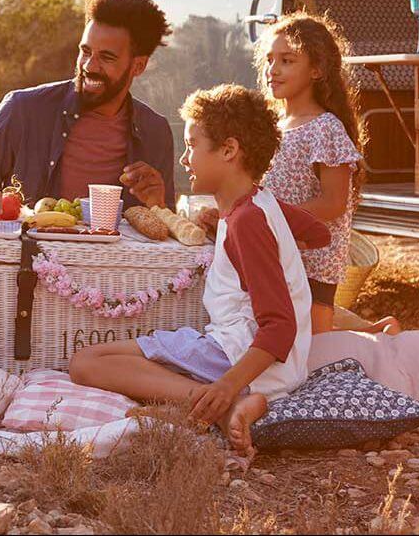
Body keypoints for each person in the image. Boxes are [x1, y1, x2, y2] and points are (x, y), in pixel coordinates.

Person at [69, 84, 330, 454]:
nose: (184, 159)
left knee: (86, 363)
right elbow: (318, 234)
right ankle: (221, 399)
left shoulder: (246, 222)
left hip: (238, 356)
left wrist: (225, 388)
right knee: (109, 361)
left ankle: (217, 404)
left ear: (228, 150)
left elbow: (280, 327)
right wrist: (243, 237)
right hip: (269, 365)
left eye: (192, 145)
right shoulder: (257, 205)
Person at [0, 0, 176, 278]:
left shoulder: (155, 131)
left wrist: (158, 204)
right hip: (25, 278)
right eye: (85, 51)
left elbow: (167, 238)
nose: (89, 66)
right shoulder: (23, 110)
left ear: (138, 66)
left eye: (107, 58)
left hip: (114, 283)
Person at [255, 12, 400, 335]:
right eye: (269, 60)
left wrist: (273, 216)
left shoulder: (325, 128)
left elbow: (334, 202)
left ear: (317, 70)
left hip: (313, 257)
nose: (272, 70)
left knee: (316, 346)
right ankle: (372, 330)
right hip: (278, 250)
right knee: (283, 335)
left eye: (287, 60)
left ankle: (376, 335)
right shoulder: (273, 128)